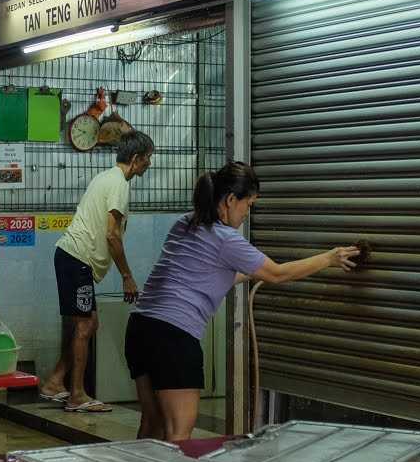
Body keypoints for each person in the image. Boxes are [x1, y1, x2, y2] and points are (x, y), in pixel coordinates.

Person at [126, 161, 360, 441]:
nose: (247, 214)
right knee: (178, 434)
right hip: (173, 335)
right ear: (230, 200)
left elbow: (205, 274)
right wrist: (329, 258)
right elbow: (277, 274)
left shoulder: (187, 222)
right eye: (248, 205)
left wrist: (248, 274)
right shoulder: (226, 238)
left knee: (151, 424)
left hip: (141, 327)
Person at [40, 129, 155, 413]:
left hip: (72, 257)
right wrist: (127, 276)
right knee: (84, 325)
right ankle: (76, 394)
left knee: (86, 324)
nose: (149, 165)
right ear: (137, 158)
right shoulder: (119, 183)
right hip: (76, 258)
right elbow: (112, 235)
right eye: (148, 159)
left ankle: (55, 381)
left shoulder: (107, 177)